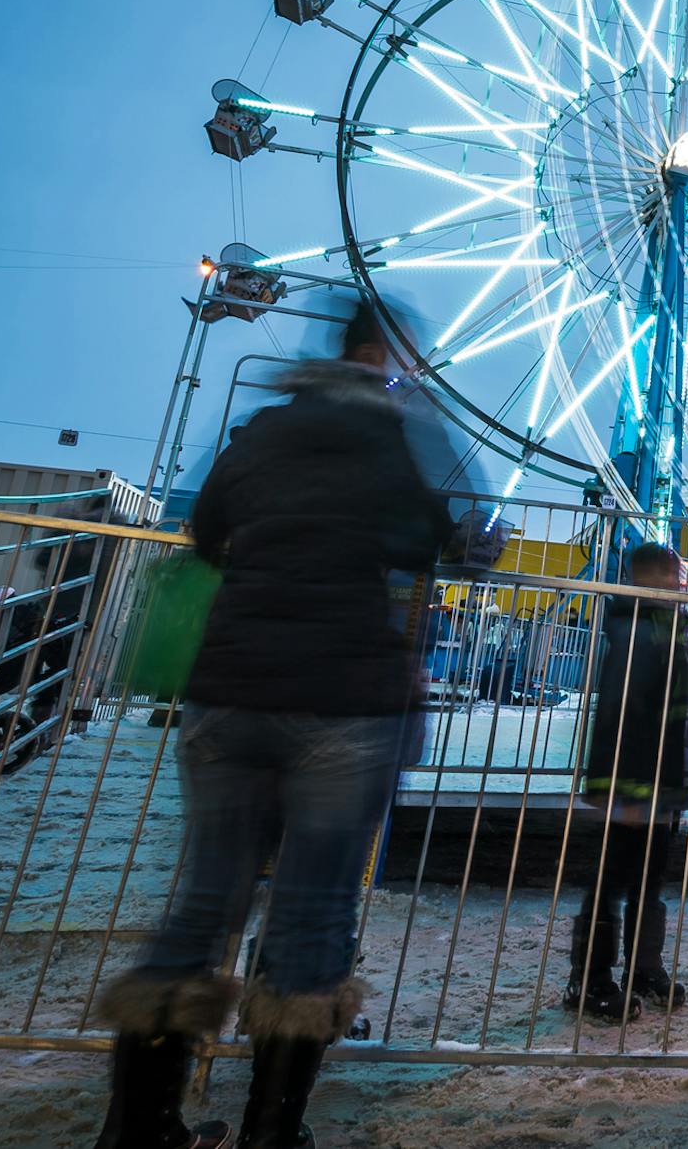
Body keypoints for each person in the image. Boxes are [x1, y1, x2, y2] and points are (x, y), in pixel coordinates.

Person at [92, 303, 448, 1149]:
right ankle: (270, 1132)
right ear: (384, 354)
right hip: (342, 697)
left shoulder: (262, 428)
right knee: (311, 915)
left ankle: (139, 1127)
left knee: (201, 903)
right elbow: (425, 535)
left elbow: (206, 527)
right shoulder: (394, 430)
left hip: (230, 692)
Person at [565, 542, 688, 1018]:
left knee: (648, 879)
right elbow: (620, 713)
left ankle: (644, 968)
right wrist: (621, 789)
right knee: (611, 881)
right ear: (651, 581)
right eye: (673, 577)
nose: (680, 585)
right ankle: (590, 978)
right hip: (632, 784)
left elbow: (676, 714)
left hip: (658, 782)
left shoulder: (667, 629)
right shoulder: (641, 632)